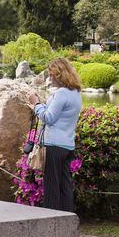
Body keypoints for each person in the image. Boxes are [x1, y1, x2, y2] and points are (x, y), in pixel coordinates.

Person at [28, 58, 82, 212]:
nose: (49, 78)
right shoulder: (75, 92)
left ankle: (51, 221)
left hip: (54, 146)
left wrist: (36, 104)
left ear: (60, 75)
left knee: (51, 186)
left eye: (52, 75)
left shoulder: (62, 93)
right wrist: (42, 105)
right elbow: (58, 114)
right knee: (65, 186)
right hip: (67, 145)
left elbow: (49, 118)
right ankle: (67, 218)